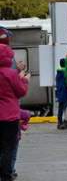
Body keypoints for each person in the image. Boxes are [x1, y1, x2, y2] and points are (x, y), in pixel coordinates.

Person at [0, 42, 29, 181]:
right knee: (8, 147)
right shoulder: (11, 74)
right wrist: (24, 80)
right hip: (9, 116)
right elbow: (21, 91)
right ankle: (6, 175)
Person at [56, 58, 67, 129]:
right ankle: (66, 122)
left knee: (60, 107)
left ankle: (59, 122)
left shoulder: (58, 72)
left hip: (59, 92)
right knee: (66, 108)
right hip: (65, 92)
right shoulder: (66, 73)